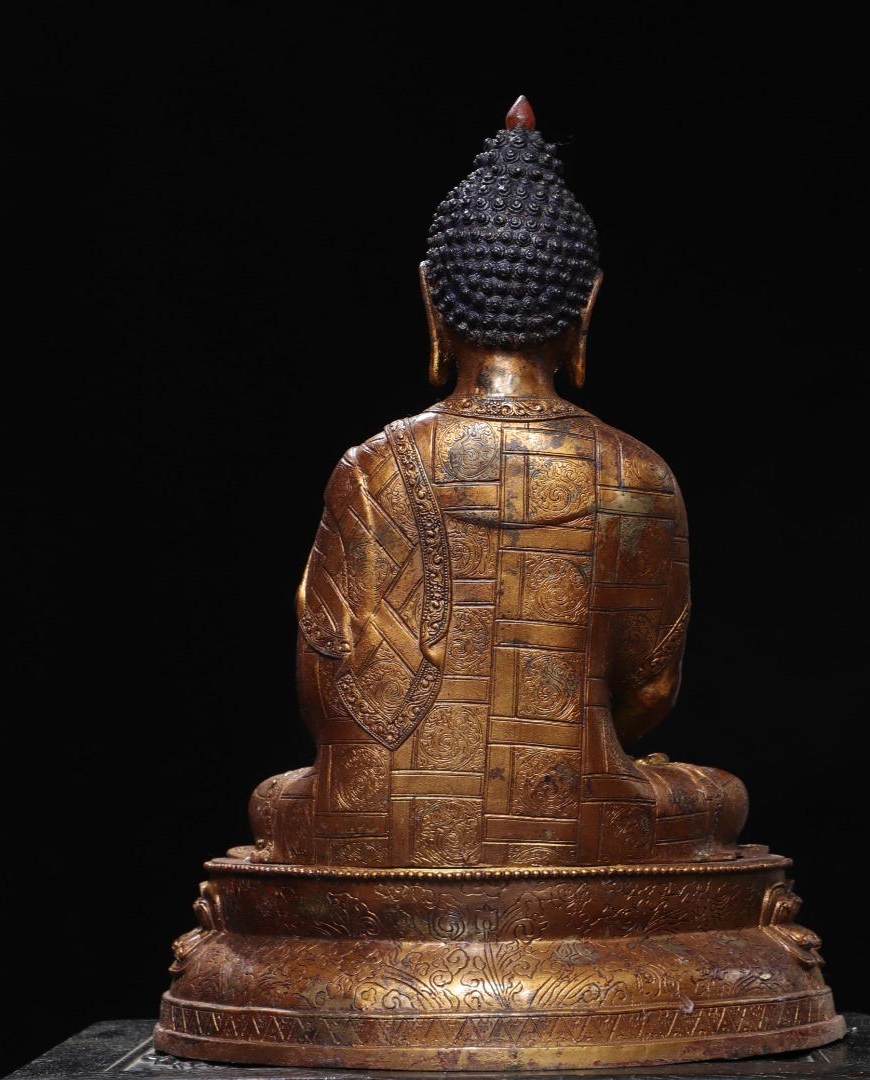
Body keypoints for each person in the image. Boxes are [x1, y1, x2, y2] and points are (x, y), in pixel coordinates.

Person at [245, 96, 748, 869]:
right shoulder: (637, 476)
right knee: (717, 796)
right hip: (575, 811)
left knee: (275, 801)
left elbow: (326, 699)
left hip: (375, 822)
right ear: (587, 305)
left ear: (430, 301)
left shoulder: (370, 468)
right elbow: (649, 693)